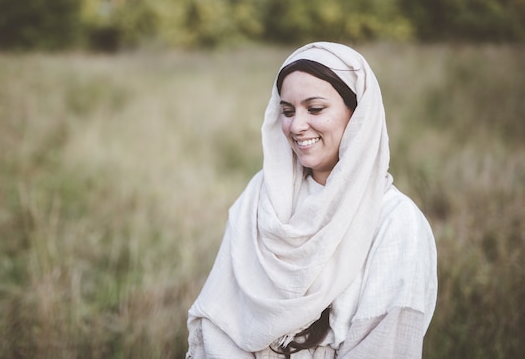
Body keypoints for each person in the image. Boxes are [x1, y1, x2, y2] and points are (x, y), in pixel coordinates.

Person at [185, 42, 437, 358]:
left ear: (358, 114)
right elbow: (220, 319)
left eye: (315, 109)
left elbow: (386, 345)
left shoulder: (396, 221)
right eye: (287, 111)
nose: (296, 125)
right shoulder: (260, 199)